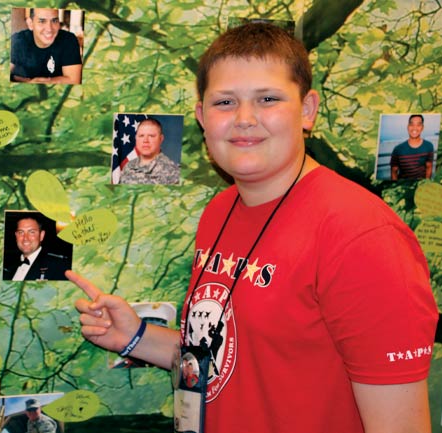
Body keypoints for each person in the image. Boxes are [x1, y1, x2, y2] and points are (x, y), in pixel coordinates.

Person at [68, 22, 438, 433]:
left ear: (308, 110)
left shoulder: (361, 236)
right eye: (224, 102)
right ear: (202, 117)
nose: (244, 118)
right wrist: (136, 336)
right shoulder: (221, 209)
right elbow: (231, 361)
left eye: (268, 98)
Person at [10, 8, 82, 84]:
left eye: (54, 21)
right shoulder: (18, 40)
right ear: (30, 24)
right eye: (42, 21)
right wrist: (29, 82)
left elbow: (73, 80)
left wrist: (38, 83)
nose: (49, 29)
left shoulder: (68, 40)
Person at [4, 214, 71, 281]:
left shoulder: (59, 265)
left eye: (31, 232)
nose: (25, 238)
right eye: (21, 232)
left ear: (41, 235)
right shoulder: (6, 269)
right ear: (16, 236)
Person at [119, 117, 180, 184]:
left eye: (151, 136)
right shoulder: (128, 167)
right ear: (136, 138)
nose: (145, 140)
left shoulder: (174, 172)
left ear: (161, 139)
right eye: (141, 136)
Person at [390, 114, 435, 180]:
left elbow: (429, 166)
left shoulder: (429, 146)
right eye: (412, 124)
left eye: (418, 125)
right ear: (408, 127)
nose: (415, 128)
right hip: (404, 186)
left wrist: (426, 183)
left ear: (422, 127)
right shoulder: (398, 149)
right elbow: (394, 171)